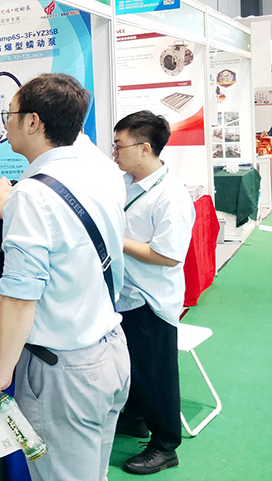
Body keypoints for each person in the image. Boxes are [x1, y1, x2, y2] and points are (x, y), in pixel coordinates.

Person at [0, 74, 130, 481]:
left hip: (64, 372)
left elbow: (20, 296)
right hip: (110, 349)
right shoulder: (101, 171)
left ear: (33, 122)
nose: (5, 123)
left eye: (10, 113)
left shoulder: (32, 194)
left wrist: (1, 371)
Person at [112, 111, 195, 475]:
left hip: (150, 299)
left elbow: (167, 255)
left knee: (156, 375)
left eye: (119, 145)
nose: (115, 153)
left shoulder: (170, 197)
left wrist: (116, 240)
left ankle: (165, 445)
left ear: (145, 148)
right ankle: (134, 419)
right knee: (133, 367)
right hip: (125, 294)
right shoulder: (125, 183)